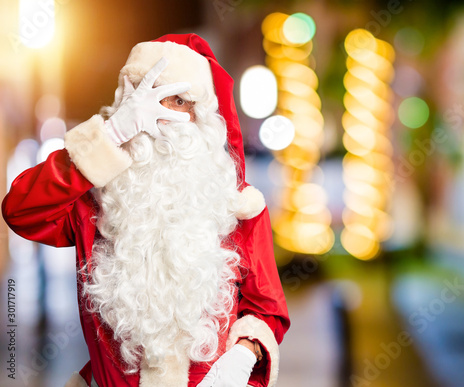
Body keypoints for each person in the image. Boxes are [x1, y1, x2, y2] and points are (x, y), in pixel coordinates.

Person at [2, 33, 290, 387]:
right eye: (145, 97)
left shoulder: (238, 205)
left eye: (178, 100)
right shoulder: (95, 200)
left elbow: (268, 308)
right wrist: (111, 133)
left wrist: (244, 354)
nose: (161, 116)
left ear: (200, 115)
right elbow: (20, 209)